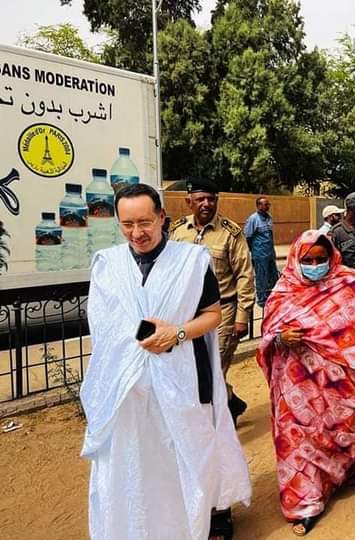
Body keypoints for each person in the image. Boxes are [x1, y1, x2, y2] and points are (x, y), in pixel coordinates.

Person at [80, 184, 251, 540]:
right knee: (134, 466)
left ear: (162, 218)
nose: (137, 233)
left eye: (145, 222)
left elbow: (212, 315)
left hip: (180, 381)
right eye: (127, 224)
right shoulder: (107, 266)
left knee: (182, 460)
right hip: (126, 393)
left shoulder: (191, 262)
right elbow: (104, 331)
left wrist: (177, 333)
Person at [257, 230, 355, 536]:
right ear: (296, 259)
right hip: (296, 387)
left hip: (344, 386)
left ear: (332, 257)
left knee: (348, 430)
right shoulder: (284, 291)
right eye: (309, 260)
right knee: (298, 442)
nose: (316, 265)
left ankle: (347, 469)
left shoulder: (351, 284)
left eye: (321, 259)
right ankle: (305, 502)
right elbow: (268, 335)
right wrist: (281, 338)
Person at [170, 177, 256, 424]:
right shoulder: (177, 231)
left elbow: (244, 275)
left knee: (214, 368)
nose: (206, 204)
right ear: (189, 202)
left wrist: (242, 316)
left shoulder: (230, 233)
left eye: (211, 199)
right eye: (200, 199)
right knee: (193, 366)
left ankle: (215, 422)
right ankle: (231, 402)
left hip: (223, 311)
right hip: (188, 313)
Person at [244, 196, 279, 308]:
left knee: (273, 276)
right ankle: (262, 300)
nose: (268, 206)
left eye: (268, 204)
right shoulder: (253, 219)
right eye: (265, 204)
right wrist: (253, 252)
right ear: (259, 206)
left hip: (270, 252)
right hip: (259, 254)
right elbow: (248, 237)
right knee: (261, 277)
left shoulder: (269, 217)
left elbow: (270, 235)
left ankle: (272, 297)